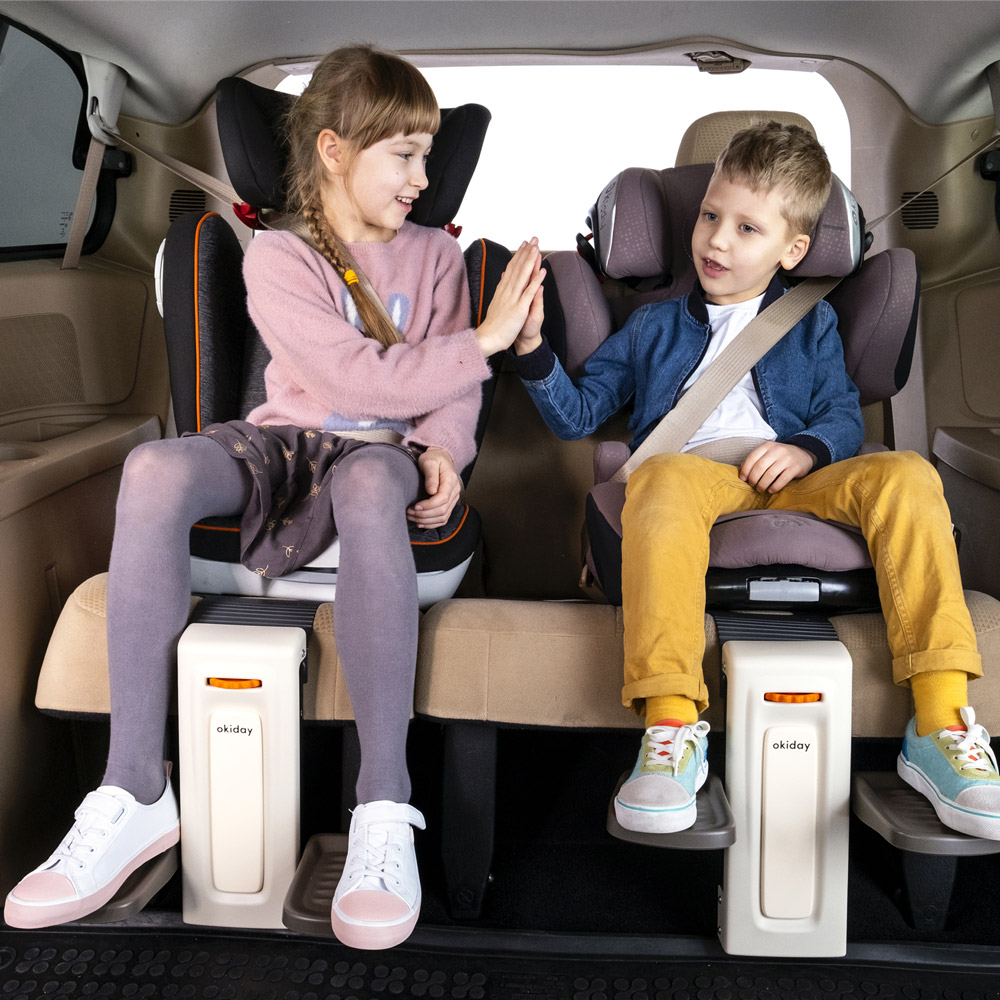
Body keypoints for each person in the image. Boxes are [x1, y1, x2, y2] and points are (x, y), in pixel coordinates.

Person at [4, 45, 544, 949]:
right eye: (404, 156)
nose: (423, 178)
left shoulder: (438, 260)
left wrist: (448, 450)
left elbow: (448, 396)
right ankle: (133, 787)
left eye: (428, 155)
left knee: (369, 477)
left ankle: (384, 805)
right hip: (286, 444)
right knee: (154, 468)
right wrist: (483, 342)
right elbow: (349, 376)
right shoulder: (280, 258)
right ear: (334, 150)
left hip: (384, 454)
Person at [507, 121, 1000, 840]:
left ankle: (940, 724)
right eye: (710, 216)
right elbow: (578, 415)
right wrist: (531, 350)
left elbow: (839, 415)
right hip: (692, 476)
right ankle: (671, 728)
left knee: (906, 473)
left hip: (792, 476)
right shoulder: (651, 328)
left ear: (792, 250)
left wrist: (804, 449)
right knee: (661, 480)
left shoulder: (812, 323)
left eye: (747, 228)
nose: (716, 241)